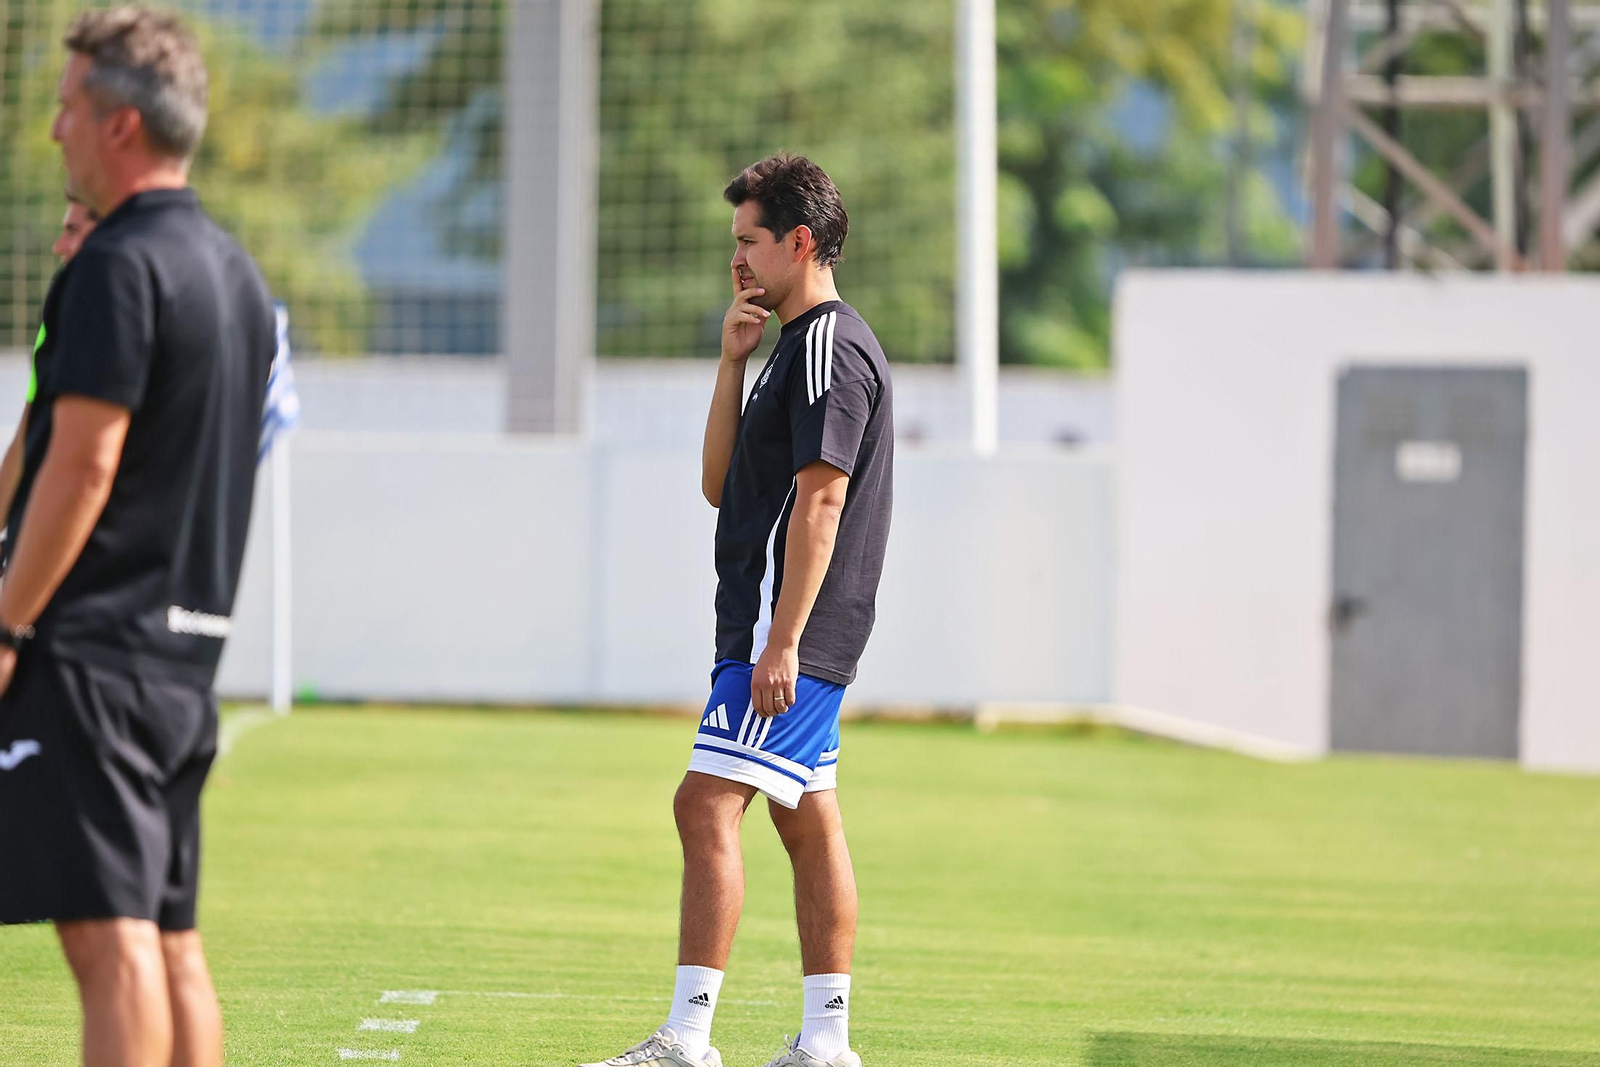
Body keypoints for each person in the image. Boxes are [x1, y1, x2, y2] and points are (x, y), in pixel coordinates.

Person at [0, 8, 276, 1067]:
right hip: (181, 662)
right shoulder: (237, 276)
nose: (55, 130)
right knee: (170, 942)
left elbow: (83, 461)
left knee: (109, 943)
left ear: (120, 124)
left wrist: (11, 621)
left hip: (95, 658)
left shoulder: (115, 266)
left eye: (68, 108)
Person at [583, 154, 894, 1067]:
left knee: (703, 805)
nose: (740, 260)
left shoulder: (830, 348)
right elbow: (720, 485)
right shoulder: (788, 346)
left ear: (802, 241)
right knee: (808, 818)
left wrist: (784, 639)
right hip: (765, 631)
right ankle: (827, 1044)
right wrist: (732, 357)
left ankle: (688, 1037)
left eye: (751, 242)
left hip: (785, 634)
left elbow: (823, 502)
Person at [0, 194, 101, 533]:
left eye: (73, 230)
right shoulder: (61, 310)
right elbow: (30, 432)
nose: (59, 246)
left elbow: (89, 468)